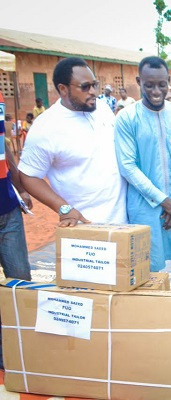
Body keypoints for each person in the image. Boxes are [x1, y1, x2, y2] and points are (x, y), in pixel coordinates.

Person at [114, 56, 171, 292]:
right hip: (146, 209)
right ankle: (152, 321)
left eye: (161, 84)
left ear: (169, 82)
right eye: (149, 85)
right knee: (147, 274)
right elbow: (128, 166)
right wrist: (164, 201)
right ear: (138, 81)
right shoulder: (127, 118)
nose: (156, 91)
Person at [19, 57, 127, 226]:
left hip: (124, 222)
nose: (93, 91)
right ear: (63, 89)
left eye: (94, 85)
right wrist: (63, 208)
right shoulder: (45, 128)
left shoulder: (103, 109)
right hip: (85, 226)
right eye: (85, 87)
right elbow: (29, 176)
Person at [0, 90, 33, 370]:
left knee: (20, 282)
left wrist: (20, 186)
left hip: (7, 209)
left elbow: (3, 146)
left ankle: (24, 351)